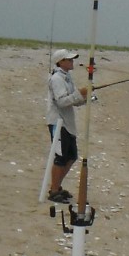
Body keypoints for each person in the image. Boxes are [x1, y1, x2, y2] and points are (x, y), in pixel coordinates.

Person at [45, 49, 88, 203]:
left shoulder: (67, 77)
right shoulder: (56, 79)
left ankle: (56, 186)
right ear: (60, 62)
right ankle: (54, 191)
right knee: (60, 157)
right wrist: (79, 94)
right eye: (69, 60)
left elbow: (71, 99)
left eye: (72, 60)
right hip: (58, 123)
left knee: (71, 156)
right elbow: (61, 102)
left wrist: (84, 98)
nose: (72, 62)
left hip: (67, 123)